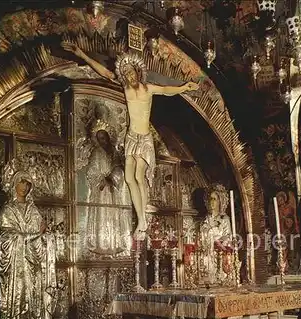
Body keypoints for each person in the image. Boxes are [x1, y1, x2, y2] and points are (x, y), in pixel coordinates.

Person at [61, 42, 199, 238]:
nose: (129, 76)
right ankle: (141, 218)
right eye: (125, 74)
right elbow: (105, 73)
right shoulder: (125, 89)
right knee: (128, 178)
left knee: (139, 176)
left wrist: (184, 87)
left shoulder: (148, 88)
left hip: (144, 138)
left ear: (137, 71)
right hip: (131, 137)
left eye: (131, 72)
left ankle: (143, 220)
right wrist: (82, 54)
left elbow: (167, 89)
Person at [0, 170, 57, 319]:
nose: (25, 186)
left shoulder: (33, 210)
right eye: (21, 182)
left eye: (28, 183)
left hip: (34, 271)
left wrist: (46, 237)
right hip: (17, 274)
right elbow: (5, 239)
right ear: (13, 184)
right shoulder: (7, 210)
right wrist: (31, 236)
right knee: (19, 309)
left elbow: (42, 237)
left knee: (35, 310)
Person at [83, 120, 130, 255]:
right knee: (102, 214)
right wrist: (102, 179)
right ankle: (102, 246)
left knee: (114, 215)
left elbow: (119, 169)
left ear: (109, 137)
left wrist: (113, 179)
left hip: (113, 190)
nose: (102, 140)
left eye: (104, 137)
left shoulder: (114, 152)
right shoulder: (96, 153)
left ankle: (115, 244)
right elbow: (91, 171)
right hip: (101, 190)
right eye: (99, 138)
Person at [199, 184, 232, 284]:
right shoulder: (205, 219)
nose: (211, 202)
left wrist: (218, 241)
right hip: (207, 255)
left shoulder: (224, 219)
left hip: (220, 255)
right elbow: (201, 236)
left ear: (220, 201)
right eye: (210, 199)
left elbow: (228, 237)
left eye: (214, 199)